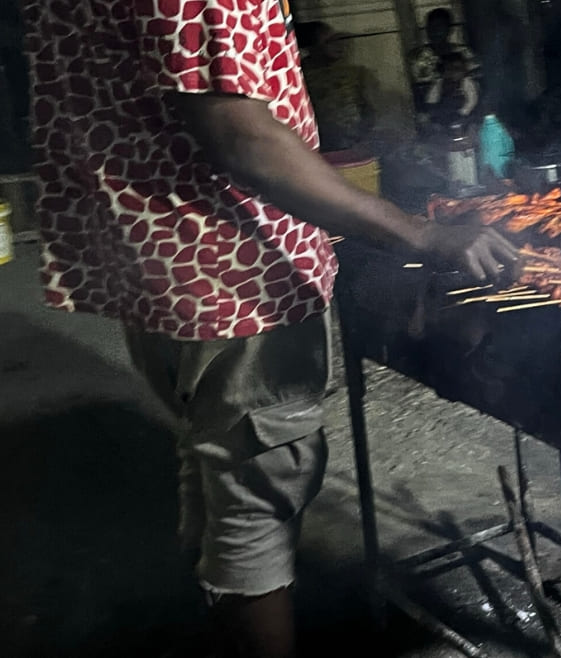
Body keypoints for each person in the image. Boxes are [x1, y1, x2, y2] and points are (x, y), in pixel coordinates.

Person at [21, 2, 517, 657]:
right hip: (236, 279)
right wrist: (420, 233)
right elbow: (241, 135)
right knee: (255, 506)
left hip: (153, 270)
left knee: (213, 473)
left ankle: (222, 616)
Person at [296, 21, 379, 153]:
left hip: (356, 148)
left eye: (339, 39)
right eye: (329, 41)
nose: (338, 45)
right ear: (311, 47)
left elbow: (370, 112)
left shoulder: (357, 75)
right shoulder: (297, 78)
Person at [408, 9, 479, 114]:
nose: (435, 31)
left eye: (440, 27)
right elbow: (420, 82)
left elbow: (475, 73)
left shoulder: (463, 51)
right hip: (433, 109)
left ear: (450, 29)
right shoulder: (418, 55)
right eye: (431, 27)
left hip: (463, 103)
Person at [424, 51, 480, 127]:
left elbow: (472, 99)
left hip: (461, 111)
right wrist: (431, 107)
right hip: (445, 110)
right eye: (449, 70)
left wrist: (463, 112)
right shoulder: (440, 82)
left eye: (457, 70)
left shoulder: (466, 82)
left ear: (463, 70)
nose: (453, 73)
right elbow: (433, 96)